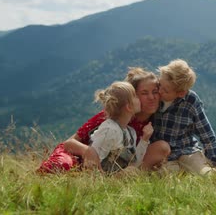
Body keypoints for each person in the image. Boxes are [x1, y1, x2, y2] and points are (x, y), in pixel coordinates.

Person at [37, 67, 170, 173]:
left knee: (161, 147)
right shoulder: (111, 115)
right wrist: (88, 153)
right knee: (63, 166)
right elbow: (70, 143)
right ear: (130, 99)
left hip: (112, 165)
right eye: (144, 93)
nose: (152, 97)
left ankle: (123, 177)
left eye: (155, 91)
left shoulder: (157, 120)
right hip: (79, 155)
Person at [151, 59, 216, 176]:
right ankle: (182, 173)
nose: (159, 91)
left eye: (165, 90)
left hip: (187, 150)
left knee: (202, 172)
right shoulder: (154, 95)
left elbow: (207, 135)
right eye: (160, 85)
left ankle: (213, 174)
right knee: (167, 174)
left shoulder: (191, 101)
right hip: (164, 154)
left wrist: (215, 162)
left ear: (181, 93)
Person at [81, 81, 150, 174]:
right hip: (103, 179)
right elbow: (93, 160)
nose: (139, 98)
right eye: (135, 96)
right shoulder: (110, 129)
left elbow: (134, 161)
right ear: (129, 107)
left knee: (132, 171)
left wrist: (145, 139)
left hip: (115, 178)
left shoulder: (130, 132)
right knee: (132, 172)